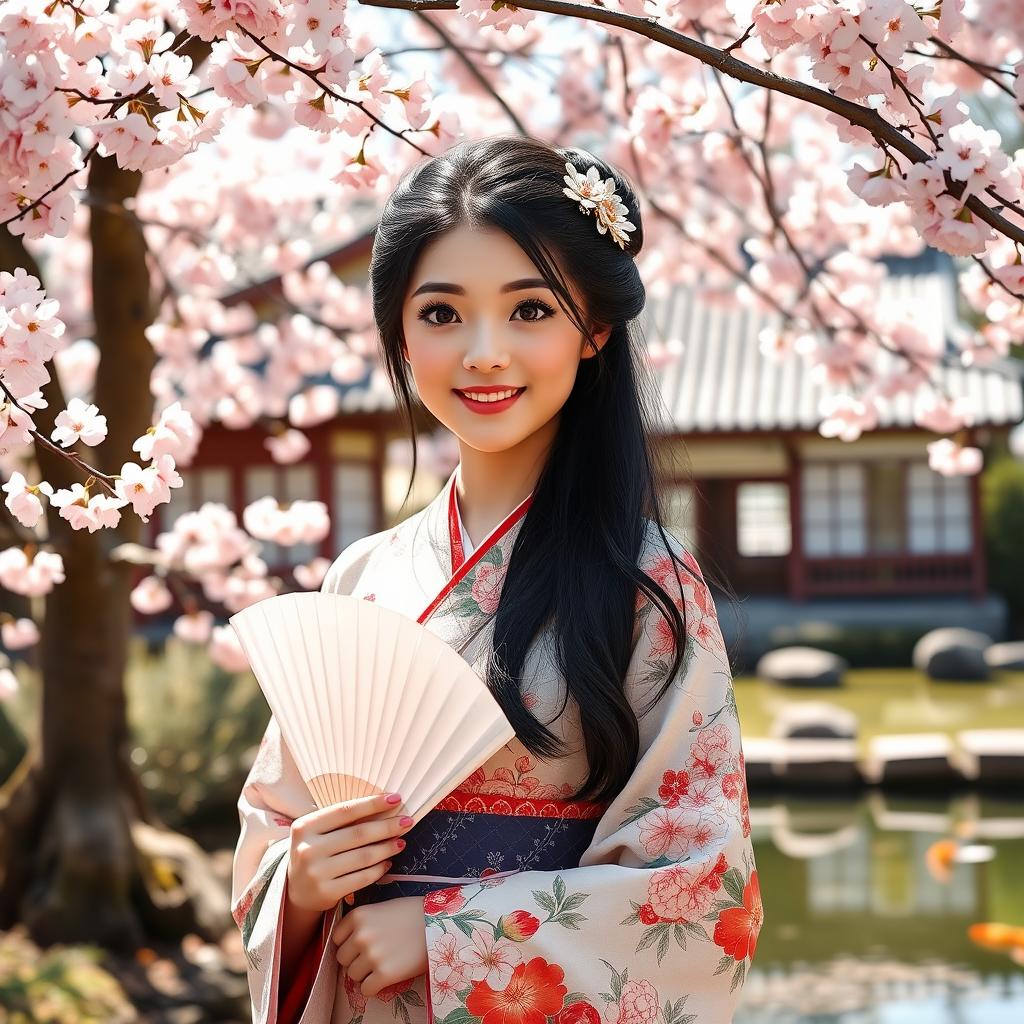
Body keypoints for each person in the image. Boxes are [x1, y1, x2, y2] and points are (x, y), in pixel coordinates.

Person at [231, 134, 762, 1024]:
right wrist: (303, 883)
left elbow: (705, 890)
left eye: (529, 311)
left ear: (593, 329)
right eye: (441, 314)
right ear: (399, 334)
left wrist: (453, 936)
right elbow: (273, 828)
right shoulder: (364, 575)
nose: (483, 352)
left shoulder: (650, 586)